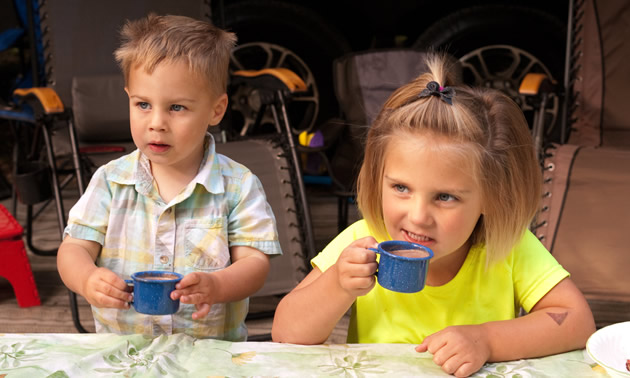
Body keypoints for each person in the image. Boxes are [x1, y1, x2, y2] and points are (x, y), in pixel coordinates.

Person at [272, 53, 595, 376]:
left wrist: (487, 340)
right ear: (377, 179)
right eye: (400, 187)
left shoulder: (507, 246)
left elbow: (577, 321)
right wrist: (336, 286)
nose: (418, 216)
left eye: (445, 196)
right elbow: (286, 333)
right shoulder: (363, 239)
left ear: (492, 196)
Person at [57, 14, 281, 341]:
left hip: (209, 360)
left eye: (177, 107)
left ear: (216, 110)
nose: (157, 122)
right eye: (143, 104)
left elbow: (255, 265)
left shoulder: (238, 185)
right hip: (124, 355)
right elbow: (73, 249)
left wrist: (218, 285)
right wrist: (88, 279)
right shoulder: (110, 181)